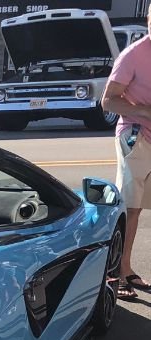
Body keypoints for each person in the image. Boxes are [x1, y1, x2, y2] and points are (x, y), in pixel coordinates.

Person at [101, 3, 151, 300]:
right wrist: (145, 111)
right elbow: (108, 102)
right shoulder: (133, 55)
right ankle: (112, 274)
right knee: (127, 207)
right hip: (134, 136)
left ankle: (126, 267)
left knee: (138, 208)